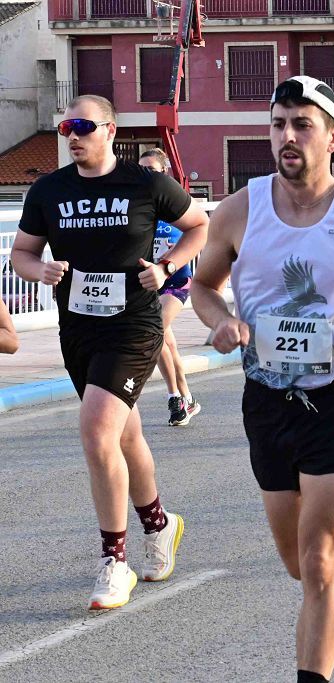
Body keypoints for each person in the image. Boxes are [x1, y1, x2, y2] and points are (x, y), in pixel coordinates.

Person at [190, 76, 334, 683]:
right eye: (278, 124)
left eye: (302, 125)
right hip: (266, 399)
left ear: (333, 138)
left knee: (321, 563)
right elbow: (202, 286)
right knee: (299, 561)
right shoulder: (240, 210)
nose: (287, 136)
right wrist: (221, 323)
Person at [12, 94, 209, 608]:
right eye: (64, 128)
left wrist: (166, 267)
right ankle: (159, 526)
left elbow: (199, 226)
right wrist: (42, 271)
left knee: (98, 430)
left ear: (110, 130)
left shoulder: (146, 183)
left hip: (134, 325)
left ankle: (113, 561)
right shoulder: (48, 190)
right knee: (125, 435)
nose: (72, 136)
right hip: (78, 330)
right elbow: (22, 254)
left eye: (82, 126)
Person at [137, 148, 202, 426]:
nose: (145, 175)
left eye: (151, 170)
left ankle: (173, 397)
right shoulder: (135, 205)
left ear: (164, 173)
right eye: (141, 170)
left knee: (156, 329)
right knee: (167, 343)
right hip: (148, 284)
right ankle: (186, 398)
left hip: (176, 280)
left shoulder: (176, 202)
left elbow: (201, 229)